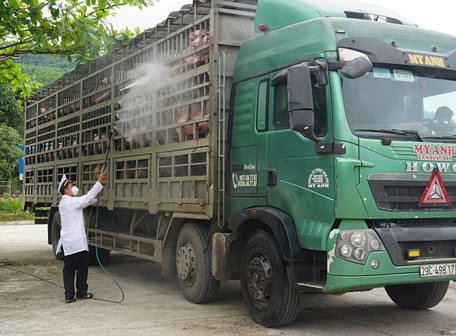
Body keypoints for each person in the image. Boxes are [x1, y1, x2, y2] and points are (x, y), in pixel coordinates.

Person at [56, 170, 107, 303]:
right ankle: (82, 293)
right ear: (66, 191)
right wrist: (99, 181)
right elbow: (86, 198)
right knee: (82, 269)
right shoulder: (70, 202)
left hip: (68, 244)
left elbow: (85, 201)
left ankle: (69, 296)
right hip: (77, 244)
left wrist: (95, 198)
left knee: (68, 270)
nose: (73, 187)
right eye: (71, 186)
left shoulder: (65, 203)